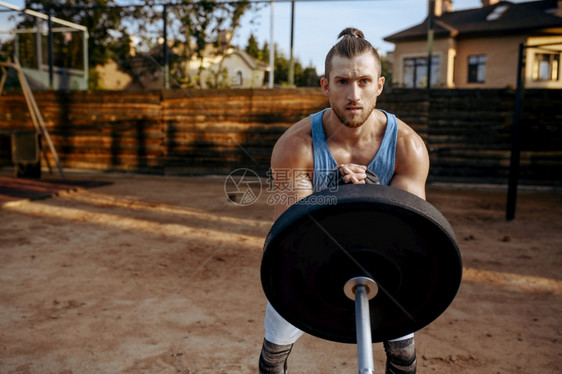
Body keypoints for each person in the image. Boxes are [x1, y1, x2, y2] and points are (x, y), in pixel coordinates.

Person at [259, 27, 429, 374]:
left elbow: (408, 237)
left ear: (380, 85)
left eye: (364, 81)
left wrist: (372, 192)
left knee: (403, 353)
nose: (354, 94)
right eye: (342, 82)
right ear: (326, 86)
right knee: (274, 357)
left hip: (383, 258)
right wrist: (336, 195)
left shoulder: (407, 147)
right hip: (304, 261)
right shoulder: (295, 146)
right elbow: (295, 236)